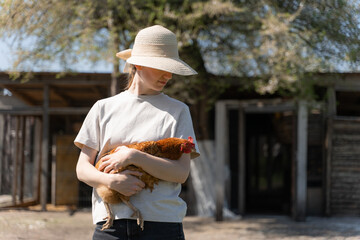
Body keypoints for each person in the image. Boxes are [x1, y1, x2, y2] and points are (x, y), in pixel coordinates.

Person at [75, 25, 200, 240]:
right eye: (162, 67)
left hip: (162, 225)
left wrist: (135, 157)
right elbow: (82, 169)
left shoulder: (179, 111)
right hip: (110, 224)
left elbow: (181, 173)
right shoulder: (103, 108)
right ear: (139, 64)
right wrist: (112, 182)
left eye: (171, 68)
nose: (168, 75)